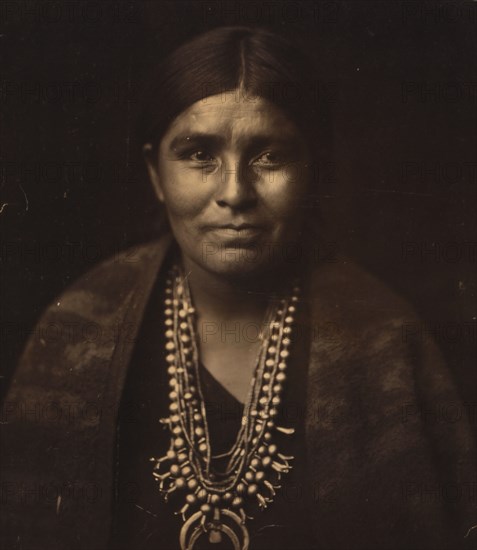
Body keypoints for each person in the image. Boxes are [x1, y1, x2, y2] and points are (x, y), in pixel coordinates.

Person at [1, 26, 475, 550]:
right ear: (155, 174)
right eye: (199, 155)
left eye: (269, 155)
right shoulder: (79, 328)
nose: (234, 192)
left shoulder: (386, 340)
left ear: (312, 171)